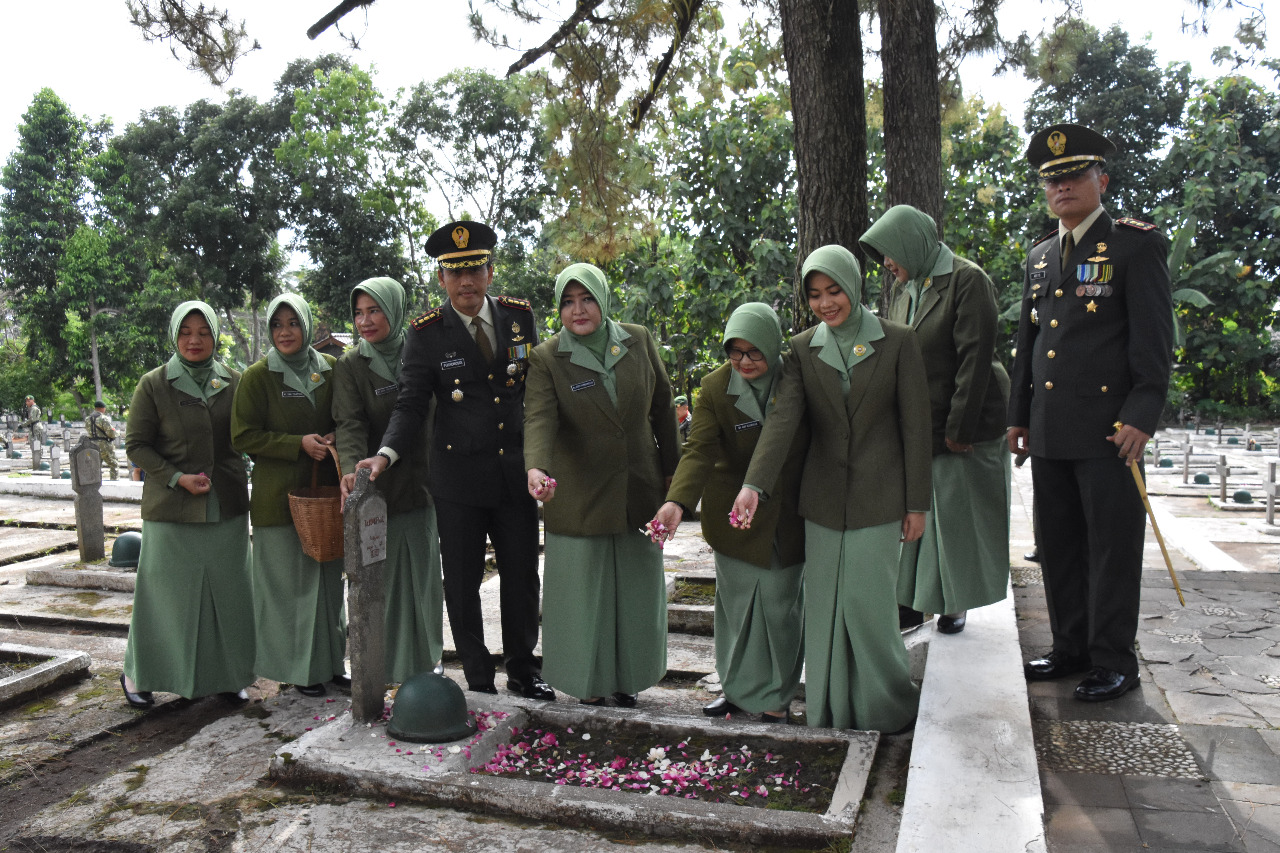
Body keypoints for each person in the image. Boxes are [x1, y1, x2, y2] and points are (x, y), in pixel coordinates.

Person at [730, 244, 930, 734]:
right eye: (815, 294)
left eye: (834, 290)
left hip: (880, 499)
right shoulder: (801, 349)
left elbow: (916, 428)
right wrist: (754, 484)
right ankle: (828, 709)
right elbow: (782, 421)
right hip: (821, 504)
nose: (825, 303)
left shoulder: (899, 341)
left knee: (868, 607)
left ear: (854, 285)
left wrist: (917, 504)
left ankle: (887, 705)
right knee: (823, 610)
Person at [1009, 123, 1173, 702]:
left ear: (1101, 178)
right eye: (1052, 179)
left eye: (1075, 175)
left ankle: (1113, 659)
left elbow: (1153, 343)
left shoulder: (1135, 245)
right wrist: (1020, 415)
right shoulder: (1040, 257)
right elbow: (1029, 345)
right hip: (1051, 432)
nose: (1063, 187)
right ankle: (1070, 645)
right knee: (1059, 546)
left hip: (1110, 433)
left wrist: (1142, 414)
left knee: (1111, 548)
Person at [357, 221, 552, 701]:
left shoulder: (517, 318)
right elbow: (411, 405)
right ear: (441, 279)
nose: (466, 282)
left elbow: (534, 392)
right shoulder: (426, 335)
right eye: (454, 273)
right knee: (463, 582)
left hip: (513, 473)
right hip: (458, 479)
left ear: (490, 271)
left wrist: (545, 458)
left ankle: (524, 670)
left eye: (475, 271)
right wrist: (385, 453)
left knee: (522, 574)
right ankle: (479, 677)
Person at [524, 262, 680, 707]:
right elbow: (538, 418)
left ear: (603, 299)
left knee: (634, 589)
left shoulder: (638, 339)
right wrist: (536, 468)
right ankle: (588, 683)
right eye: (568, 302)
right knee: (581, 594)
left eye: (587, 298)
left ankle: (628, 679)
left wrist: (674, 473)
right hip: (579, 495)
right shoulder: (548, 357)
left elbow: (663, 407)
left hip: (638, 488)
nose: (578, 310)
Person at [859, 204, 1011, 635]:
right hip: (921, 420)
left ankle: (954, 600)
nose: (887, 264)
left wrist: (959, 431)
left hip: (966, 420)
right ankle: (914, 600)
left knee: (956, 515)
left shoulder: (967, 280)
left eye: (890, 252)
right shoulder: (906, 289)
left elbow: (975, 360)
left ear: (913, 242)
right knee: (920, 511)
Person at [651, 303, 806, 723]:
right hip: (734, 514)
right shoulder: (717, 387)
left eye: (754, 352)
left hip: (787, 511)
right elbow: (699, 449)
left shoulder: (796, 376)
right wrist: (677, 502)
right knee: (736, 610)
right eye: (735, 352)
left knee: (780, 608)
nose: (745, 362)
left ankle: (777, 696)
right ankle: (736, 690)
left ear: (773, 346)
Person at [121, 300, 254, 707]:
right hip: (171, 511)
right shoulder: (155, 384)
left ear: (215, 336)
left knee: (229, 596)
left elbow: (249, 436)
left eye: (203, 332)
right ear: (175, 336)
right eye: (185, 332)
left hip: (225, 506)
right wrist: (177, 478)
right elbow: (136, 446)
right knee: (164, 598)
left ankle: (229, 676)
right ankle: (139, 674)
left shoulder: (234, 381)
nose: (194, 340)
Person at [231, 293, 346, 698]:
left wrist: (335, 436)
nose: (285, 332)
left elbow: (346, 416)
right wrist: (297, 443)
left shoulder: (331, 369)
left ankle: (332, 665)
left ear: (307, 326)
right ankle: (297, 671)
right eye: (277, 324)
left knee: (327, 584)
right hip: (277, 500)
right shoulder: (257, 376)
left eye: (293, 323)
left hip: (326, 499)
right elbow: (243, 435)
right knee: (286, 590)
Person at [334, 276, 445, 682]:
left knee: (424, 577)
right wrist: (351, 467)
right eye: (359, 313)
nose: (365, 321)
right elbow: (348, 422)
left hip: (426, 481)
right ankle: (388, 665)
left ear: (394, 310)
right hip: (377, 487)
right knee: (383, 579)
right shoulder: (351, 365)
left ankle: (428, 659)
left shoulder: (422, 350)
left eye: (375, 310)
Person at [87, 399, 120, 480]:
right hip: (104, 445)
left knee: (95, 465)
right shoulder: (103, 418)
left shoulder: (88, 419)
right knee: (113, 464)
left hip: (92, 444)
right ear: (102, 408)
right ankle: (114, 482)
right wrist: (117, 433)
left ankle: (93, 482)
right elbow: (110, 433)